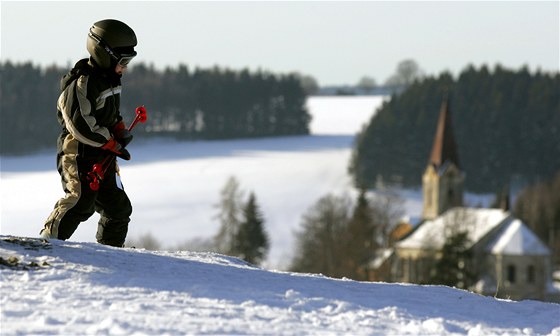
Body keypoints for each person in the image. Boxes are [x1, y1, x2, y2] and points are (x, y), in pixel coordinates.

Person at [40, 19, 138, 247]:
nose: (125, 67)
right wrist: (108, 141)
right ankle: (48, 241)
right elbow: (80, 124)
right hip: (78, 153)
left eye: (129, 62)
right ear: (105, 53)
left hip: (103, 156)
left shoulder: (112, 81)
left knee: (118, 207)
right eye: (123, 61)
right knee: (80, 201)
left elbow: (110, 113)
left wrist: (119, 128)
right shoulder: (82, 83)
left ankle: (110, 250)